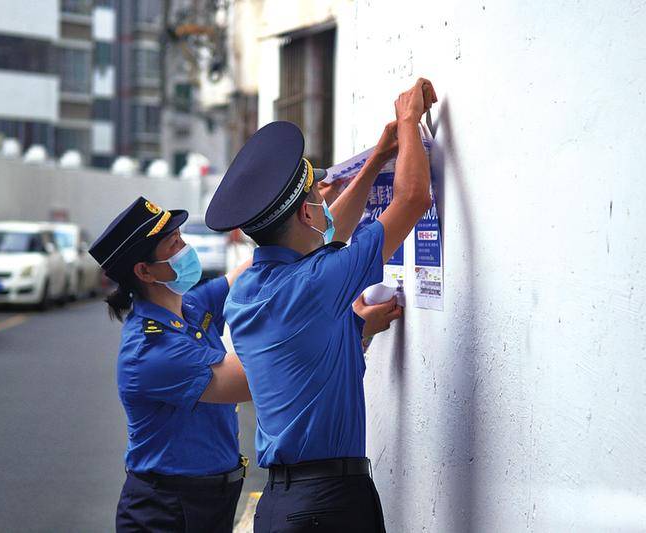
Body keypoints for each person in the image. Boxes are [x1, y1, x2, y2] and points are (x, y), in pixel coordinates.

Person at [204, 78, 437, 531]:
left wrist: (375, 162)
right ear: (309, 214)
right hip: (328, 507)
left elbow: (328, 243)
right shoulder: (314, 283)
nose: (325, 207)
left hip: (278, 505)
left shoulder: (249, 291)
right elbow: (412, 199)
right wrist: (408, 121)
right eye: (318, 199)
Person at [87, 197, 252, 532]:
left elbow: (263, 265)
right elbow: (258, 379)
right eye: (173, 244)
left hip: (210, 502)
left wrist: (305, 216)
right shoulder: (153, 350)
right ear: (145, 271)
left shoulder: (189, 307)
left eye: (181, 238)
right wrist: (350, 328)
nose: (185, 249)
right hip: (168, 513)